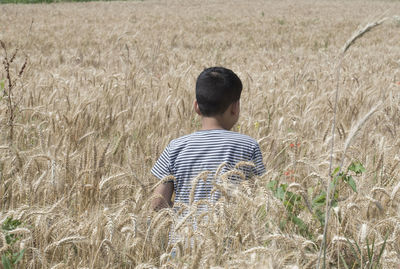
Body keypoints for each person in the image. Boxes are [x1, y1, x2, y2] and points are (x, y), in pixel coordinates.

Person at [151, 66, 266, 211]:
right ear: (235, 108)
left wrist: (188, 215)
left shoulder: (175, 147)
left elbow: (158, 203)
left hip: (184, 232)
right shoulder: (248, 146)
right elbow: (260, 200)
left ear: (196, 107)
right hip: (232, 232)